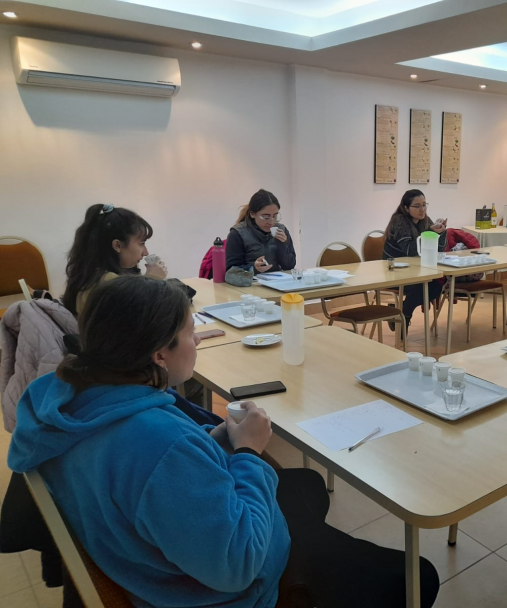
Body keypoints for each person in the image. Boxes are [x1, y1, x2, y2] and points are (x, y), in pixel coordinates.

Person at [8, 275, 439, 608]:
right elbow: (237, 566)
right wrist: (248, 450)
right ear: (159, 353)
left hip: (144, 556)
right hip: (221, 592)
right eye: (191, 331)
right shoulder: (160, 445)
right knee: (417, 576)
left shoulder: (67, 398)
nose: (197, 340)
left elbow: (155, 466)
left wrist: (213, 438)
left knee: (305, 487)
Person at [62, 203, 166, 316]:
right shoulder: (107, 283)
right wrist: (152, 281)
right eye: (141, 243)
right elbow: (139, 318)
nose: (146, 252)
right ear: (117, 246)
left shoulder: (92, 275)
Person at [383, 189, 447, 327]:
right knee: (419, 288)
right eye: (417, 206)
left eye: (424, 205)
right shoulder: (399, 221)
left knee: (436, 286)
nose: (422, 209)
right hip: (394, 271)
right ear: (406, 208)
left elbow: (439, 249)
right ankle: (403, 317)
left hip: (415, 270)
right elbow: (410, 251)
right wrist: (430, 232)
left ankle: (400, 313)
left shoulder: (425, 220)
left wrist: (441, 232)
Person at [226, 189, 296, 273]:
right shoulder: (238, 233)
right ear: (252, 214)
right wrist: (253, 268)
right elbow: (231, 271)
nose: (271, 222)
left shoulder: (281, 230)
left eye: (275, 216)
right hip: (250, 283)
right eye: (266, 217)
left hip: (277, 281)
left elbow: (289, 266)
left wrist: (282, 245)